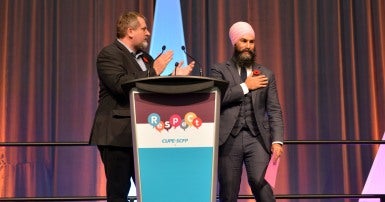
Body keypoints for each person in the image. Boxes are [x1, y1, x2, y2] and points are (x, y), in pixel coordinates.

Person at [89, 11, 195, 202]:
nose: (148, 33)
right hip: (116, 135)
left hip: (144, 134)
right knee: (119, 190)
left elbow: (150, 87)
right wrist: (154, 71)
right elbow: (120, 85)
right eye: (144, 29)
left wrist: (174, 77)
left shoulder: (145, 58)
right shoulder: (109, 54)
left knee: (151, 188)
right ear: (130, 31)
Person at [210, 21, 284, 202]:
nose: (248, 46)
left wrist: (277, 140)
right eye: (244, 41)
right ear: (235, 43)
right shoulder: (219, 70)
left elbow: (274, 109)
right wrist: (245, 86)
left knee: (260, 183)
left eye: (251, 42)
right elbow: (217, 99)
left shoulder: (266, 73)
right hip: (228, 139)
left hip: (257, 138)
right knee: (228, 190)